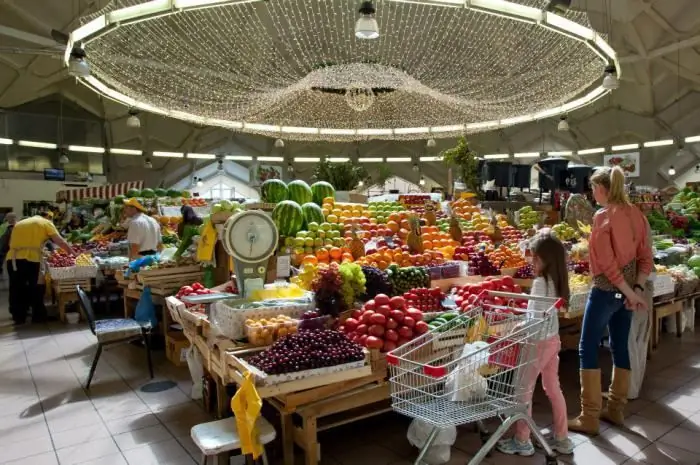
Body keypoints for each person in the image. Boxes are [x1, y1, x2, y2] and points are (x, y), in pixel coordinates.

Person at [568, 166, 653, 435]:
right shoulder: (636, 214)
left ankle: (589, 416)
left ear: (602, 189)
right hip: (626, 294)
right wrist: (635, 290)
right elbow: (645, 257)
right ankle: (616, 409)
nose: (592, 193)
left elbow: (607, 265)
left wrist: (629, 293)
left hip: (606, 291)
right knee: (619, 345)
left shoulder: (602, 217)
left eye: (593, 188)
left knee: (587, 346)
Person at [496, 232, 574, 457]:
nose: (532, 263)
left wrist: (517, 329)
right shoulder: (557, 281)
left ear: (546, 260)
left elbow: (535, 320)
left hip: (537, 343)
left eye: (536, 259)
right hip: (552, 341)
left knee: (523, 390)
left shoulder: (540, 283)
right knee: (553, 388)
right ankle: (562, 437)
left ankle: (522, 440)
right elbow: (545, 315)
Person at [6, 214, 76, 324]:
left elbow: (11, 243)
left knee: (16, 287)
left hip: (12, 258)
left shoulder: (19, 224)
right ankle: (38, 315)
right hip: (32, 258)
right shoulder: (46, 223)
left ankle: (18, 316)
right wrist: (73, 254)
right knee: (37, 286)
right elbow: (60, 241)